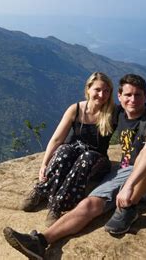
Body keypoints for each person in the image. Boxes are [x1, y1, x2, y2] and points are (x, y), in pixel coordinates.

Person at [3, 74, 146, 259]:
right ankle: (40, 242)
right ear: (119, 96)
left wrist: (130, 187)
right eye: (128, 95)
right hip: (125, 171)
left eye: (138, 95)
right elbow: (61, 137)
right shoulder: (120, 113)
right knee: (89, 203)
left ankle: (128, 208)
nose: (132, 99)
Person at [20, 72, 115, 226]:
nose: (101, 94)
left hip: (97, 160)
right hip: (74, 155)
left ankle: (58, 205)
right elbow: (57, 139)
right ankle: (41, 190)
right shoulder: (76, 109)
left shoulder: (113, 113)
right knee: (65, 150)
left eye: (106, 91)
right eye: (97, 90)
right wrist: (44, 164)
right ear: (88, 89)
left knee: (87, 157)